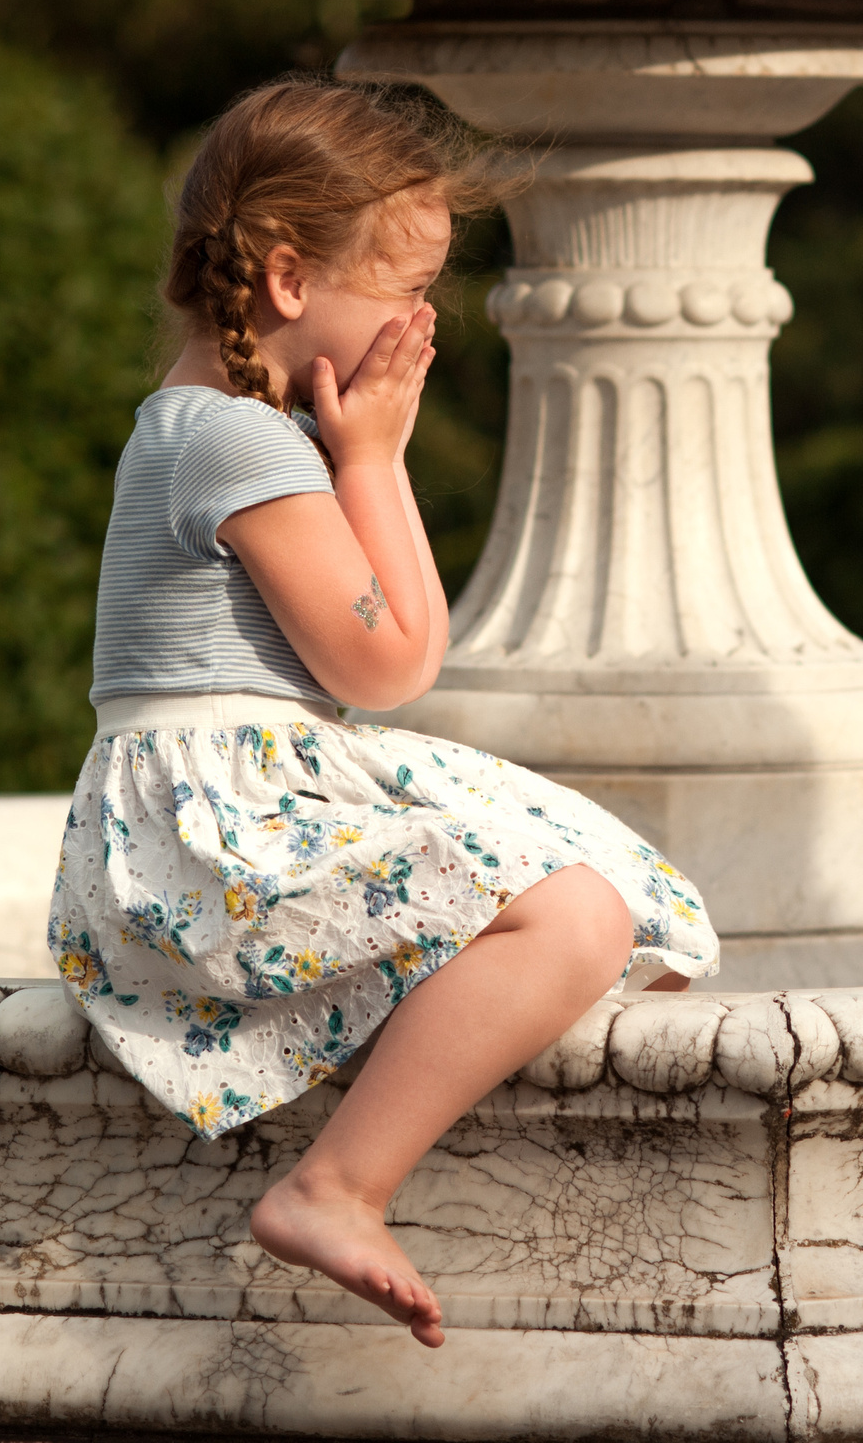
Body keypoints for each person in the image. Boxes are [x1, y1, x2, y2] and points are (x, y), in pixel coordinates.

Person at [49, 77, 717, 1350]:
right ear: (291, 282)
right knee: (576, 912)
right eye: (405, 289)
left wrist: (365, 459)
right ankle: (336, 1186)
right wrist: (375, 461)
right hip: (212, 826)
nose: (420, 322)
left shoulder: (231, 431)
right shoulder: (236, 443)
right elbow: (392, 664)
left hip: (236, 793)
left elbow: (395, 665)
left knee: (621, 906)